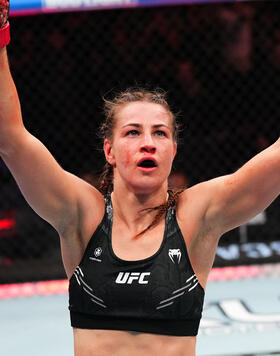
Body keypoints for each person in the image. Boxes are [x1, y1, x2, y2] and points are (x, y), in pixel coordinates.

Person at [1, 4, 280, 356]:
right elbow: (9, 138)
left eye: (160, 133)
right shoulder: (82, 216)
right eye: (133, 132)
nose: (148, 142)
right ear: (110, 151)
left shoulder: (197, 217)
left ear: (173, 152)